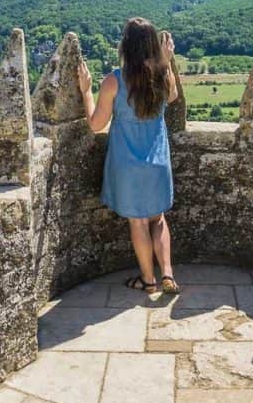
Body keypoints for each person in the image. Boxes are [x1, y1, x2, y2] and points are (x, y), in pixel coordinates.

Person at [77, 17, 180, 295]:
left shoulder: (114, 80)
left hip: (127, 164)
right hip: (158, 161)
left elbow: (96, 124)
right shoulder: (161, 75)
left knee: (138, 222)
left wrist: (86, 91)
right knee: (158, 219)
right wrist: (166, 61)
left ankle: (148, 281)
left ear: (126, 46)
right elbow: (172, 98)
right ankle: (168, 275)